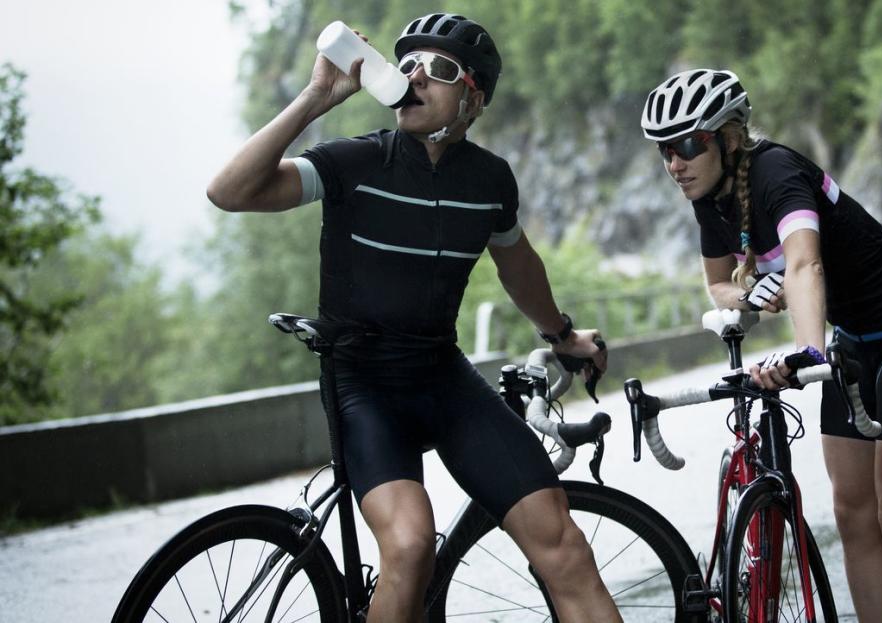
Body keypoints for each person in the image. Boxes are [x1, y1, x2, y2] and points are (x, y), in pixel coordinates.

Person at [207, 13, 622, 623]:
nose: (416, 77)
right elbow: (229, 191)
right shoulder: (357, 162)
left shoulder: (489, 181)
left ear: (474, 95)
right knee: (408, 545)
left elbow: (517, 266)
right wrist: (317, 97)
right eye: (407, 67)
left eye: (441, 70)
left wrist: (562, 335)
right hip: (363, 384)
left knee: (563, 545)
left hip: (441, 377)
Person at [641, 68, 882, 623]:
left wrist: (807, 352)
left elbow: (805, 262)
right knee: (853, 512)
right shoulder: (709, 199)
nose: (675, 162)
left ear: (729, 137)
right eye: (665, 150)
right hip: (855, 339)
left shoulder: (776, 171)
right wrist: (752, 290)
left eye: (688, 144)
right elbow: (719, 285)